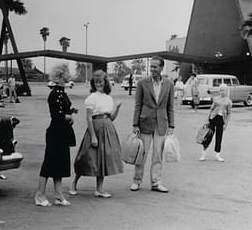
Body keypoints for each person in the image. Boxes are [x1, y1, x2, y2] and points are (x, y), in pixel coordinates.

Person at [69, 70, 124, 198]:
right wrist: (93, 136)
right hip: (95, 128)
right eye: (96, 82)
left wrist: (117, 108)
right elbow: (88, 118)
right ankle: (74, 182)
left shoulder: (108, 98)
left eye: (101, 81)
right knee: (86, 157)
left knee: (103, 159)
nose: (99, 84)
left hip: (107, 129)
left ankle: (99, 189)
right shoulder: (91, 98)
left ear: (106, 82)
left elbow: (112, 118)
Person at [131, 56, 175, 193]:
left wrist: (172, 125)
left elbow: (170, 107)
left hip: (161, 123)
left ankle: (156, 182)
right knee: (142, 153)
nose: (153, 70)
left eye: (155, 67)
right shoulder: (142, 83)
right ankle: (137, 181)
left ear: (161, 68)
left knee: (157, 154)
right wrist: (135, 124)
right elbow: (138, 105)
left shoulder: (169, 84)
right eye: (151, 67)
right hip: (144, 122)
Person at [34, 77, 77, 206]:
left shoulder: (62, 92)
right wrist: (68, 116)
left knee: (61, 163)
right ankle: (39, 194)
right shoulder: (54, 94)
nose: (67, 79)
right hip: (56, 132)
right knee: (49, 162)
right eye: (64, 77)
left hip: (62, 132)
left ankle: (58, 194)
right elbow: (56, 115)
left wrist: (71, 112)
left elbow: (63, 110)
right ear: (58, 78)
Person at [200, 85, 232, 162]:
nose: (221, 92)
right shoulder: (216, 99)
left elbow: (229, 113)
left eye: (223, 90)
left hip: (221, 120)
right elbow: (211, 109)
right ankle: (203, 153)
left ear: (226, 91)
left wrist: (226, 124)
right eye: (220, 90)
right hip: (213, 118)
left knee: (219, 137)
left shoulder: (229, 101)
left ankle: (217, 154)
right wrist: (207, 120)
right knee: (208, 135)